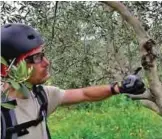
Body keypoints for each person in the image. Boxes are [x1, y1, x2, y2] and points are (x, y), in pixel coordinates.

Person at [1, 23, 145, 139]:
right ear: (6, 69)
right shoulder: (3, 112)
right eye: (36, 58)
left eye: (43, 55)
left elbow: (84, 94)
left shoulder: (41, 96)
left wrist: (118, 88)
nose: (46, 62)